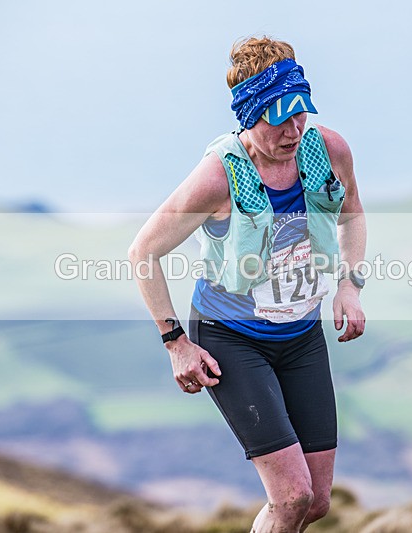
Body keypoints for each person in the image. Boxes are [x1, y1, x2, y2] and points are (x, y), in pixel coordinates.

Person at [128, 36, 367, 532]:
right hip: (231, 340)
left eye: (301, 112)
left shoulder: (329, 150)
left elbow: (353, 214)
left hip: (301, 337)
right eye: (279, 117)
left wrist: (349, 284)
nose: (294, 128)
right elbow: (143, 253)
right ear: (249, 114)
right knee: (291, 495)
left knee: (316, 501)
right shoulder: (218, 177)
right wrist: (176, 344)